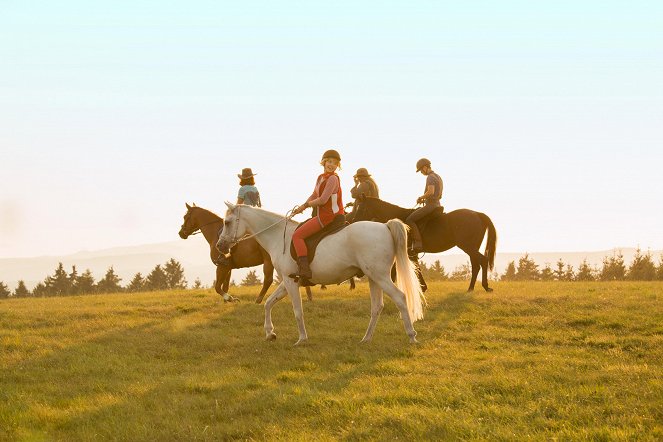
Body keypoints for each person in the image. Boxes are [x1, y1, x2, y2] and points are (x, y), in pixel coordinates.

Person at [291, 149, 345, 285]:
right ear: (324, 162)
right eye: (329, 162)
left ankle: (305, 270)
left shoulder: (332, 179)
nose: (332, 165)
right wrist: (301, 207)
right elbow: (314, 195)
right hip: (324, 215)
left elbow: (322, 200)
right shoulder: (321, 177)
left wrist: (307, 204)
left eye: (335, 163)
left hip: (329, 216)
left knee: (297, 236)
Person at [217, 168, 262, 266]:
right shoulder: (255, 189)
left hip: (245, 215)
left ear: (243, 179)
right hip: (256, 216)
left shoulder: (242, 189)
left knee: (223, 232)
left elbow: (238, 205)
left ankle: (226, 256)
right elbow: (259, 204)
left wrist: (229, 211)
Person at [405, 158, 443, 253]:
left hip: (431, 205)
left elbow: (431, 192)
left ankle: (418, 244)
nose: (421, 172)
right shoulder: (438, 176)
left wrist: (421, 197)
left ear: (425, 167)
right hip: (437, 204)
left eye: (421, 170)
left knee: (409, 220)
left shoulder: (430, 177)